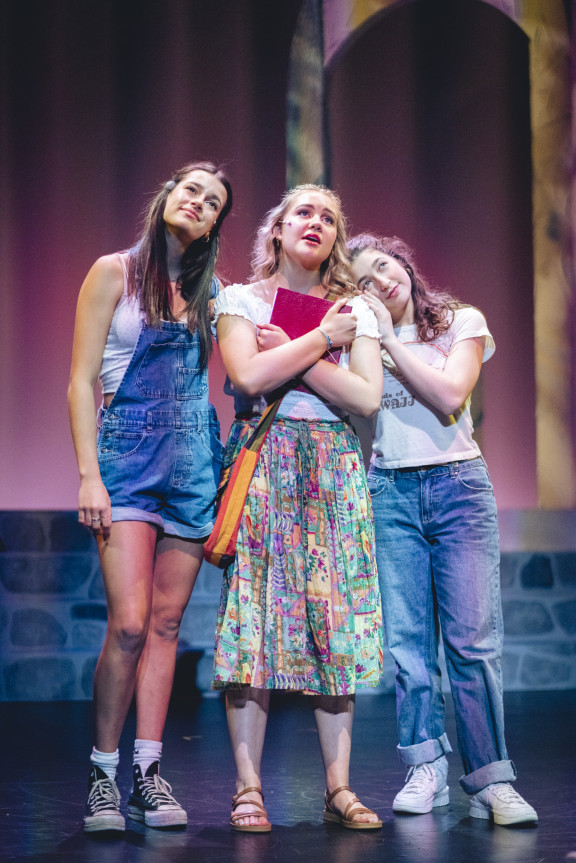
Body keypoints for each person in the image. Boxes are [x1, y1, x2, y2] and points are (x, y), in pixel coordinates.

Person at [346, 234, 538, 827]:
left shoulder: (460, 322)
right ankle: (424, 766)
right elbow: (359, 419)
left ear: (405, 263)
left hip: (458, 488)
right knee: (408, 645)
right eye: (366, 281)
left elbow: (451, 397)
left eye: (385, 266)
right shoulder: (358, 342)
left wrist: (390, 345)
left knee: (473, 641)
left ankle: (489, 781)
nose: (382, 281)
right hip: (391, 491)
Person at [211, 185, 384, 832]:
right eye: (303, 213)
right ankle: (248, 786)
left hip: (333, 463)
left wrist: (302, 343)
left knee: (333, 620)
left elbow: (365, 397)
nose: (316, 223)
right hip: (266, 457)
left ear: (336, 238)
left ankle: (338, 787)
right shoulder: (238, 300)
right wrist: (320, 341)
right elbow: (249, 378)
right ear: (277, 231)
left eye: (329, 217)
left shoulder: (354, 311)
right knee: (253, 616)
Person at [68, 161, 233, 832]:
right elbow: (81, 382)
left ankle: (148, 772)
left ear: (217, 224)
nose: (198, 202)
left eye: (213, 201)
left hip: (193, 465)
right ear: (167, 193)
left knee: (168, 625)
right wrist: (88, 474)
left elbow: (239, 368)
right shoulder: (112, 272)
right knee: (130, 622)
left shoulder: (210, 291)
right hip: (127, 462)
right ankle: (102, 774)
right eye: (192, 188)